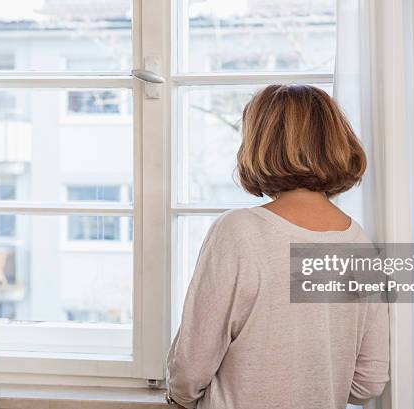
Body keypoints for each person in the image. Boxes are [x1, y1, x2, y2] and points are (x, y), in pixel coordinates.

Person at [166, 84, 389, 409]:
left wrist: (179, 397)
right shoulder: (361, 245)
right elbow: (367, 383)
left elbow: (190, 368)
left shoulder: (239, 232)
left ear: (260, 145)